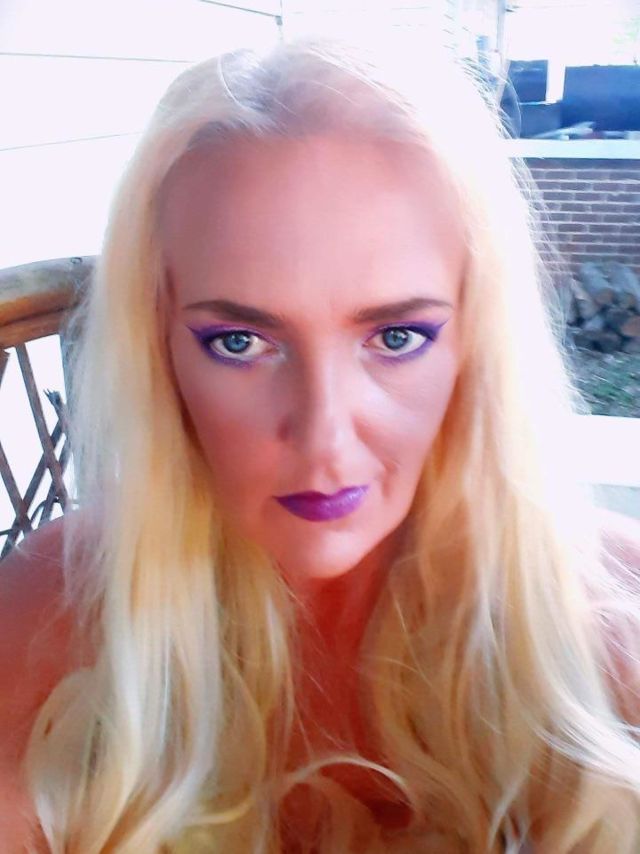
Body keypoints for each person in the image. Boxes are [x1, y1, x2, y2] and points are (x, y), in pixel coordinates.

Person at [1, 37, 640, 854]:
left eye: (397, 337)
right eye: (239, 342)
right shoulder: (50, 621)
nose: (324, 437)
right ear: (157, 341)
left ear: (477, 335)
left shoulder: (614, 629)